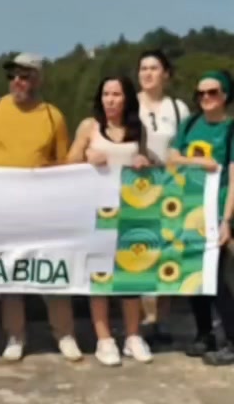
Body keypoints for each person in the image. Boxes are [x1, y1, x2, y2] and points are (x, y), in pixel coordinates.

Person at [0, 52, 83, 364]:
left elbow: (65, 164)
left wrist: (51, 169)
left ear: (38, 79)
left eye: (24, 75)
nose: (17, 81)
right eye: (13, 76)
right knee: (11, 272)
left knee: (54, 270)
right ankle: (15, 334)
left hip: (45, 208)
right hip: (3, 207)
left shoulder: (53, 116)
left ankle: (65, 333)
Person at [68, 75, 155, 366]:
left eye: (116, 94)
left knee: (132, 275)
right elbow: (67, 165)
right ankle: (104, 339)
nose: (110, 100)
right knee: (100, 276)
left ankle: (132, 336)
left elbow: (149, 163)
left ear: (127, 98)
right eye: (106, 94)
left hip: (132, 211)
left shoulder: (137, 129)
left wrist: (145, 162)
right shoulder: (88, 127)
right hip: (97, 213)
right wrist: (86, 159)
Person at [169, 70, 234, 367]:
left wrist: (228, 221)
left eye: (213, 92)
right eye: (201, 93)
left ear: (226, 95)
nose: (206, 98)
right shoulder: (190, 124)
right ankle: (204, 333)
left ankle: (231, 340)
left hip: (219, 210)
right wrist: (201, 163)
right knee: (195, 278)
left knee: (219, 280)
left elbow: (233, 178)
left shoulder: (231, 128)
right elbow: (172, 158)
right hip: (191, 211)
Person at [138, 48, 191, 345]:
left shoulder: (178, 108)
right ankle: (144, 321)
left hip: (171, 189)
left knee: (167, 255)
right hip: (137, 190)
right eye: (143, 68)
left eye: (154, 68)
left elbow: (184, 147)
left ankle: (163, 321)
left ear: (166, 75)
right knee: (141, 254)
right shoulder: (130, 105)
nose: (147, 73)